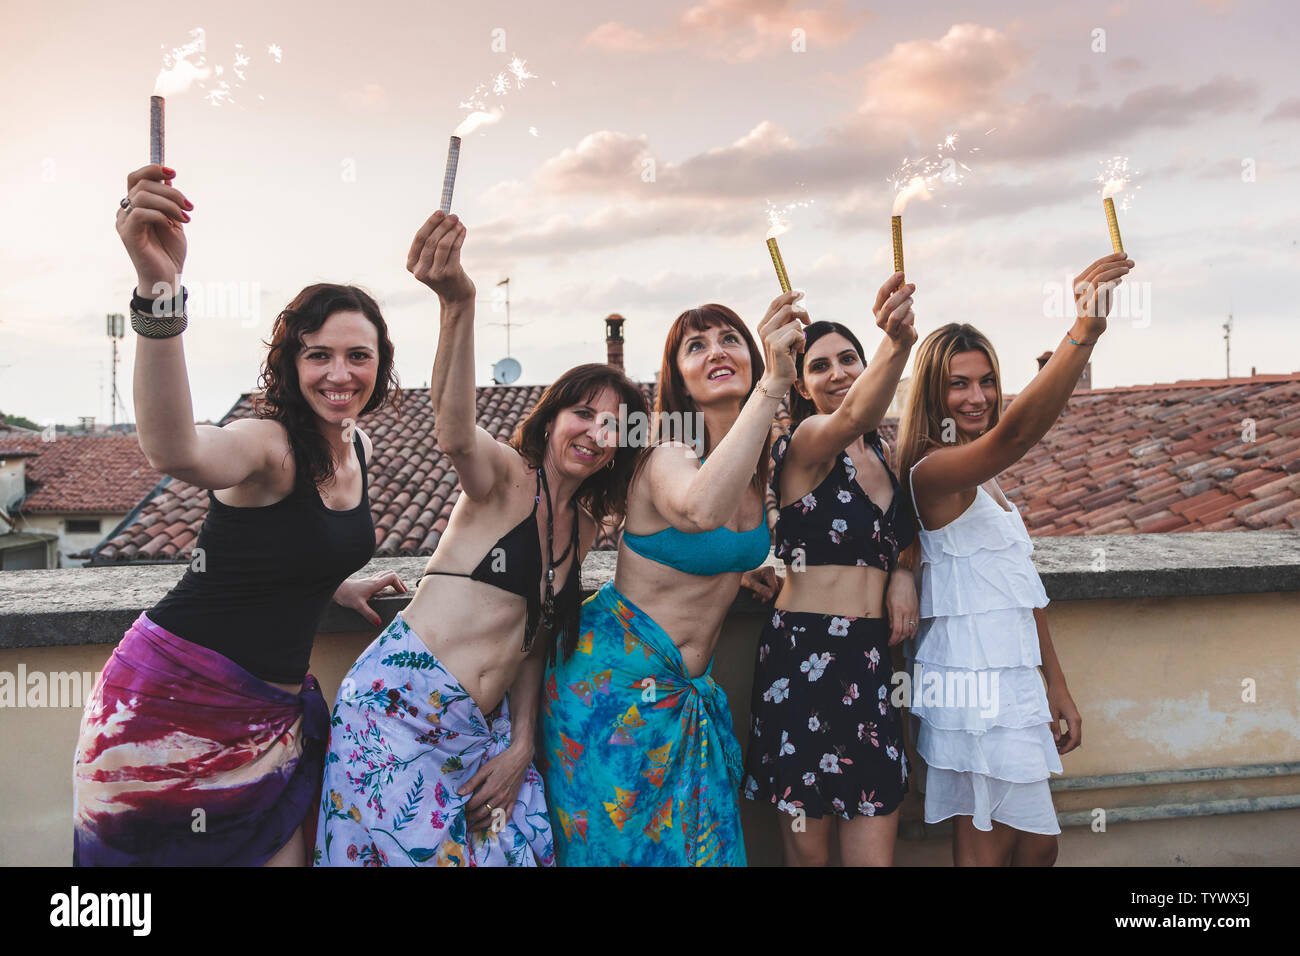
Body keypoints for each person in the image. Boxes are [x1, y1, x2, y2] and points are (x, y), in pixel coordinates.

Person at [74, 163, 405, 867]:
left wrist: (327, 585)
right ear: (291, 364)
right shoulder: (268, 443)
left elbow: (287, 549)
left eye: (357, 355)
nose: (339, 373)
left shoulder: (362, 446)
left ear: (382, 365)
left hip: (270, 724)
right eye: (318, 355)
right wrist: (158, 289)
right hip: (168, 707)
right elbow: (175, 448)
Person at [315, 210, 649, 867]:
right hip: (395, 715)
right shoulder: (504, 477)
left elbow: (533, 638)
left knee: (529, 854)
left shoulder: (583, 525)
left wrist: (521, 742)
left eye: (613, 427)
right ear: (552, 419)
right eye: (583, 413)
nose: (595, 432)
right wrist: (457, 302)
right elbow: (454, 428)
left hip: (481, 734)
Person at [540, 293, 806, 866]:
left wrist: (749, 568)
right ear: (680, 380)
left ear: (753, 357)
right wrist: (772, 389)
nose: (717, 351)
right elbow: (700, 512)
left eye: (731, 339)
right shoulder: (665, 453)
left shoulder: (756, 466)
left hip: (688, 692)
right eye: (696, 345)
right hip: (610, 689)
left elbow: (705, 551)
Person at [898, 252, 1134, 866]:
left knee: (1034, 849)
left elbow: (1020, 590)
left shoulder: (988, 480)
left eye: (986, 380)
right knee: (1003, 846)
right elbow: (1017, 437)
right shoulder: (933, 469)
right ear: (931, 391)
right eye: (958, 383)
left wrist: (1055, 685)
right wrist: (1085, 329)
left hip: (1013, 678)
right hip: (971, 681)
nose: (977, 397)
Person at [743, 273, 920, 866]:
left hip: (870, 663)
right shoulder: (803, 444)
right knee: (808, 858)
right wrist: (898, 344)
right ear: (800, 384)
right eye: (820, 366)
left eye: (850, 358)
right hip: (802, 662)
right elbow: (851, 416)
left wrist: (902, 571)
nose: (839, 372)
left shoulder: (885, 456)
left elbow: (906, 535)